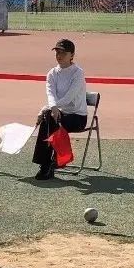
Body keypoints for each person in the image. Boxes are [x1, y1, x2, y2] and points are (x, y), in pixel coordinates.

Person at [32, 38, 87, 180]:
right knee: (49, 118)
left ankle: (49, 163)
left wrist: (49, 108)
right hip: (58, 114)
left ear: (72, 55)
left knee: (50, 118)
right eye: (57, 52)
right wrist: (50, 108)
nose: (59, 55)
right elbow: (50, 94)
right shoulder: (52, 73)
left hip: (77, 117)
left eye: (63, 53)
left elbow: (69, 97)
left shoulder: (78, 73)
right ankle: (47, 163)